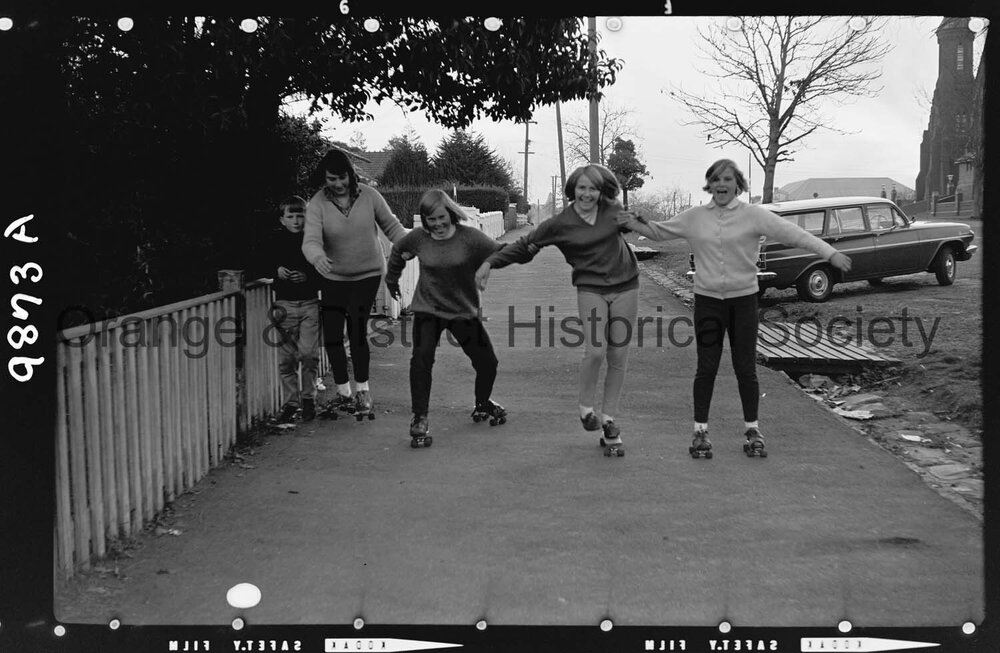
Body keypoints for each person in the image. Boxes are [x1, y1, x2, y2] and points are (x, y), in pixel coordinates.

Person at [616, 158, 852, 458]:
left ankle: (752, 429)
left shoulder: (754, 215)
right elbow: (659, 231)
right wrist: (631, 221)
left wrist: (829, 252)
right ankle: (700, 431)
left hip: (743, 301)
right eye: (715, 179)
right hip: (708, 302)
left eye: (727, 179)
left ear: (737, 183)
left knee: (745, 368)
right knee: (707, 368)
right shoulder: (695, 217)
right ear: (709, 184)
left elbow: (795, 235)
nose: (721, 184)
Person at [475, 163, 637, 457]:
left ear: (602, 191)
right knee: (597, 350)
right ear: (572, 189)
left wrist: (637, 221)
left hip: (627, 284)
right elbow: (525, 246)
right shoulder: (560, 224)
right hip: (590, 288)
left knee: (618, 355)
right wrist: (490, 262)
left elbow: (639, 225)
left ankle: (610, 419)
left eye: (593, 188)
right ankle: (587, 409)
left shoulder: (612, 211)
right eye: (582, 187)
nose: (587, 193)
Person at [385, 190, 509, 448]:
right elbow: (398, 250)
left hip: (462, 310)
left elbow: (501, 251)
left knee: (487, 362)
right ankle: (419, 417)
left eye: (441, 218)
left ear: (451, 214)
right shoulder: (419, 238)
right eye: (431, 220)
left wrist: (495, 262)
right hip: (428, 309)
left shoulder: (470, 238)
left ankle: (482, 402)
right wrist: (392, 278)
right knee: (421, 359)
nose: (437, 224)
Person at [302, 149, 408, 420]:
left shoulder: (370, 196)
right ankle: (343, 392)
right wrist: (317, 257)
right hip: (333, 276)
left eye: (341, 177)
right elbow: (311, 240)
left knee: (357, 329)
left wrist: (408, 246)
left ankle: (363, 391)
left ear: (350, 174)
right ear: (323, 178)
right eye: (331, 179)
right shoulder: (317, 203)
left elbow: (392, 226)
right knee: (334, 336)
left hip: (367, 274)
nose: (337, 184)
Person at [269, 196, 322, 422]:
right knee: (286, 359)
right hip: (284, 306)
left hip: (309, 303)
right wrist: (276, 270)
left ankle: (309, 398)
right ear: (282, 220)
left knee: (309, 354)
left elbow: (326, 270)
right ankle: (291, 402)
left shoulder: (313, 240)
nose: (296, 220)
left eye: (300, 215)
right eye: (290, 216)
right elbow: (257, 262)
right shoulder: (274, 240)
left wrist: (308, 278)